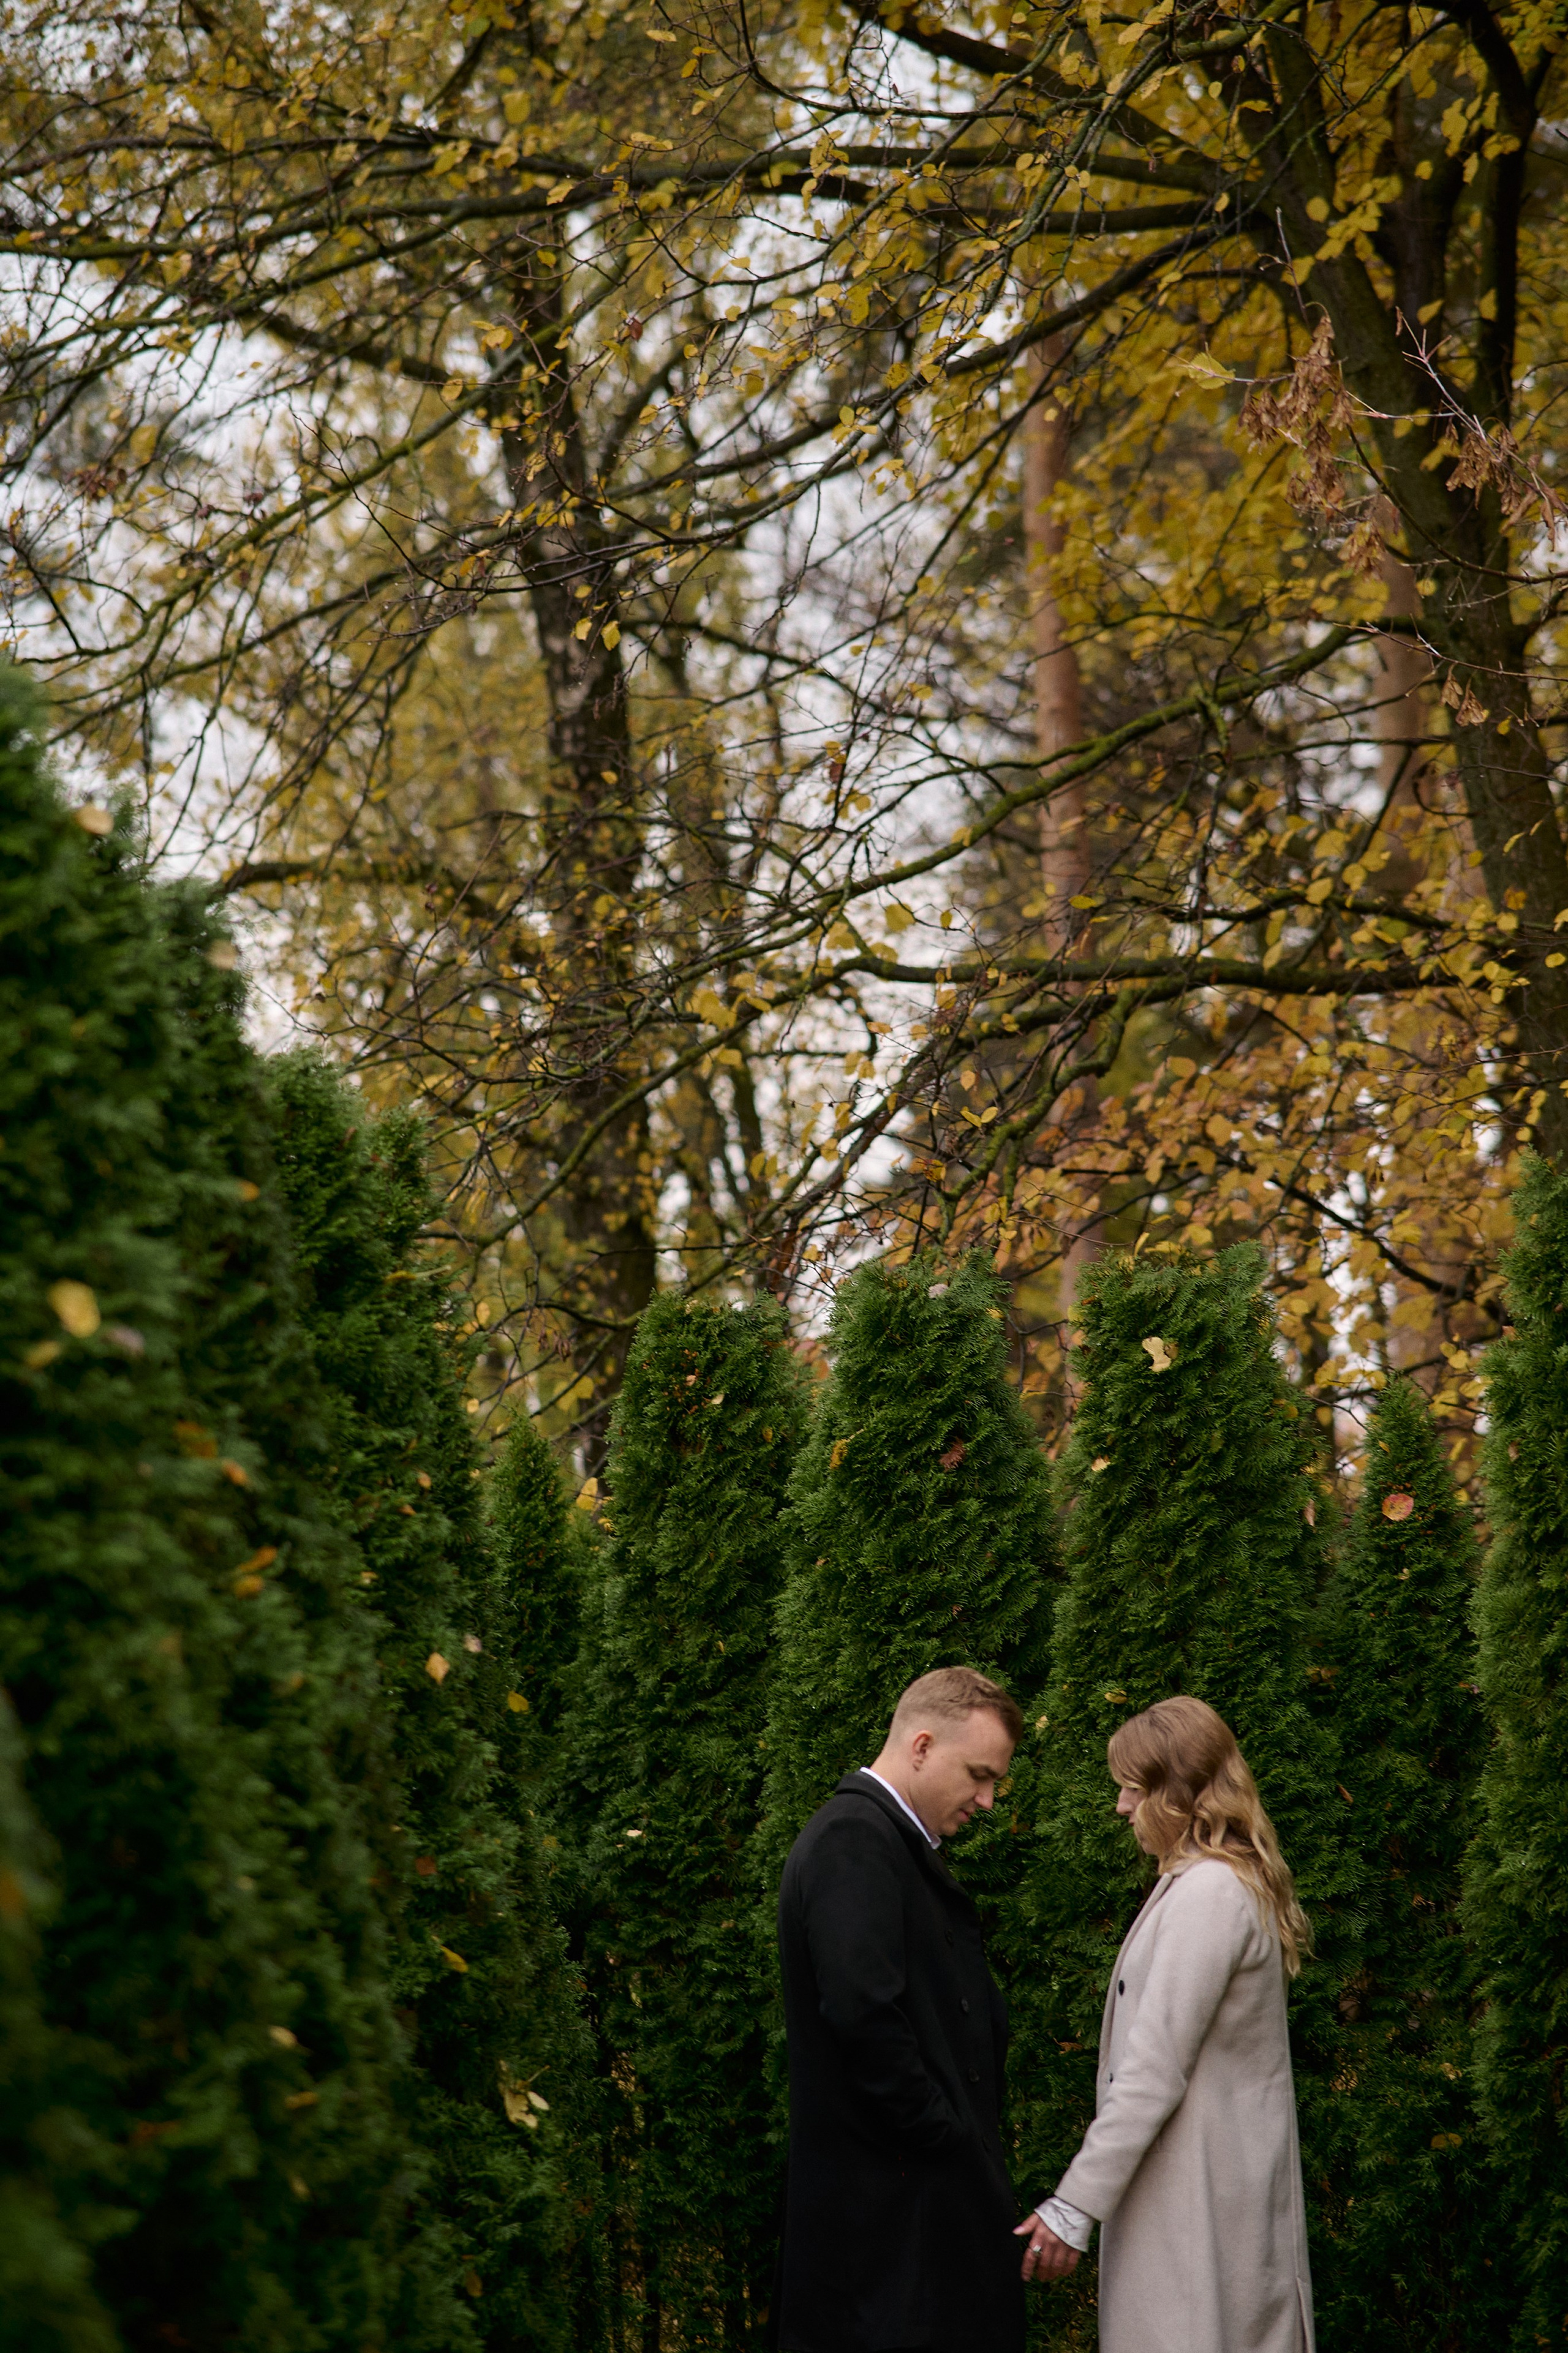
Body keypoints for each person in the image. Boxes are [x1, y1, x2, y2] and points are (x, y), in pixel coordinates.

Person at [1017, 1695, 1316, 2353]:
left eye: (1131, 1789)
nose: (1122, 1807)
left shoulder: (1210, 1892)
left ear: (1177, 1792)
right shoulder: (1214, 1883)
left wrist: (1074, 2205)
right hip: (1206, 2203)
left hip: (1199, 2217)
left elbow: (1153, 2068)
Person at [775, 1666, 1027, 2353]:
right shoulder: (854, 1840)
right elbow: (863, 2014)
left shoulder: (887, 1841)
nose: (986, 1798)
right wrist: (942, 2135)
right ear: (920, 1745)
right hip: (888, 2235)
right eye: (978, 1773)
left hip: (908, 2221)